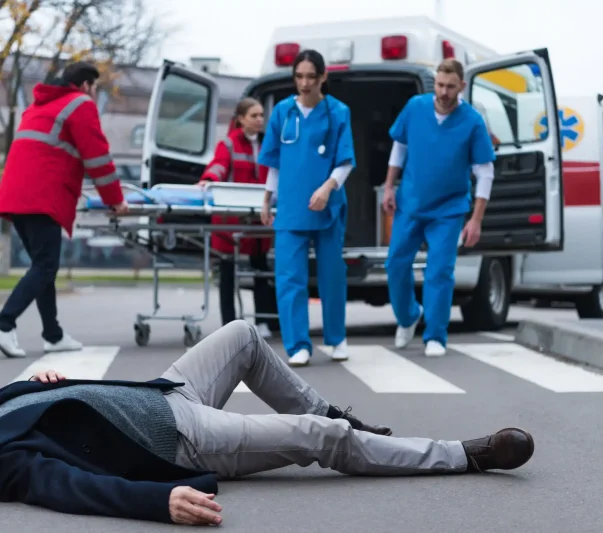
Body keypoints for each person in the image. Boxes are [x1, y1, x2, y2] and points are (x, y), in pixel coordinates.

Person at [0, 320, 534, 525]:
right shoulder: (4, 460)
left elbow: (58, 403)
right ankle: (463, 454)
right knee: (318, 440)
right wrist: (158, 503)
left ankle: (338, 415)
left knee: (243, 335)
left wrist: (49, 380)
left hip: (167, 392)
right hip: (183, 440)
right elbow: (68, 487)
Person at [0, 61, 128, 359]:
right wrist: (115, 200)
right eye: (95, 89)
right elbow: (97, 157)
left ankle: (53, 335)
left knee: (42, 266)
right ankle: (4, 324)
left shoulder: (39, 107)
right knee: (45, 266)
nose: (95, 96)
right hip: (41, 197)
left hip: (16, 195)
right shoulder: (80, 103)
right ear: (85, 85)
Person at [382, 58, 496, 358]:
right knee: (395, 264)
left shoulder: (472, 121)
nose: (444, 92)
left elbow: (485, 172)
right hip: (411, 202)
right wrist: (390, 186)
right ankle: (408, 316)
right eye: (440, 85)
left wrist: (476, 219)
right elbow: (400, 148)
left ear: (462, 86)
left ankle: (435, 334)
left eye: (450, 86)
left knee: (440, 271)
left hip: (450, 208)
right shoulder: (415, 107)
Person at [258, 49, 355, 367]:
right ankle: (298, 344)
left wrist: (327, 189)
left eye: (311, 77)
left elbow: (345, 161)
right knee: (289, 277)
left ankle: (336, 338)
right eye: (299, 77)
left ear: (323, 77)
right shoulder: (282, 112)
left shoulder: (338, 112)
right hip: (290, 207)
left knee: (331, 276)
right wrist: (266, 199)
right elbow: (273, 162)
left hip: (328, 206)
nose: (304, 83)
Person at [199, 97, 279, 338]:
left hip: (258, 215)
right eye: (254, 116)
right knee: (227, 272)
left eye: (261, 116)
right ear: (241, 118)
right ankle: (229, 326)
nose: (259, 120)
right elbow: (219, 166)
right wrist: (209, 181)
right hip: (231, 218)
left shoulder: (268, 144)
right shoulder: (229, 144)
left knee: (261, 269)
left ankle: (264, 321)